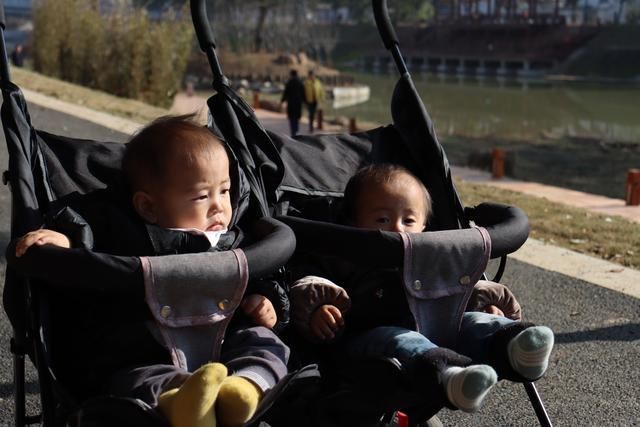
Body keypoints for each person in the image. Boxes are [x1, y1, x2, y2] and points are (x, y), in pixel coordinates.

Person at [15, 115, 290, 427]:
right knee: (134, 379)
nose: (219, 207)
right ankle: (185, 403)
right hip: (150, 349)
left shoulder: (232, 236)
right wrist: (61, 237)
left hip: (225, 343)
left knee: (263, 341)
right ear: (148, 207)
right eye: (202, 196)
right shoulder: (125, 230)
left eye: (225, 190)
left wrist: (265, 299)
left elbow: (258, 274)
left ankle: (244, 389)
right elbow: (85, 228)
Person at [290, 164, 554, 414]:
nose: (396, 229)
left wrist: (486, 306)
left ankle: (513, 344)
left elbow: (458, 286)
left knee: (473, 320)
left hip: (439, 328)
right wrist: (319, 308)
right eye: (382, 219)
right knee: (400, 339)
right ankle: (450, 376)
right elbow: (311, 281)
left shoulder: (431, 255)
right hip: (366, 343)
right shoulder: (345, 255)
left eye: (408, 220)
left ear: (425, 227)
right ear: (353, 223)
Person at [280, 70, 305, 137]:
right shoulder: (300, 83)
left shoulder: (289, 82)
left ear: (291, 75)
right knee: (297, 118)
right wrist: (305, 101)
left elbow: (285, 93)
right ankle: (296, 131)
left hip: (291, 103)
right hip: (298, 103)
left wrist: (282, 101)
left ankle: (293, 132)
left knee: (291, 118)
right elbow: (303, 93)